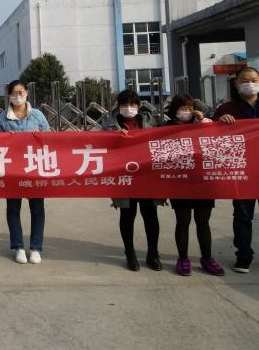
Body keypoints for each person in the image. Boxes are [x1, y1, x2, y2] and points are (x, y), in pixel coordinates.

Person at [101, 89, 163, 272]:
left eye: (132, 104)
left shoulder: (149, 120)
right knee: (127, 215)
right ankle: (130, 253)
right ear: (118, 106)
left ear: (138, 105)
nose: (128, 108)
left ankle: (153, 254)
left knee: (150, 215)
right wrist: (114, 138)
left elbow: (170, 130)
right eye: (124, 104)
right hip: (123, 176)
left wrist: (201, 120)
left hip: (146, 175)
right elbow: (100, 144)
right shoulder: (110, 124)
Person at [163, 94, 222, 276]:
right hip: (179, 183)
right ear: (174, 110)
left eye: (189, 108)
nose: (186, 112)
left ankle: (207, 258)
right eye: (183, 108)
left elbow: (215, 138)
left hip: (202, 181)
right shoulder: (164, 128)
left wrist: (202, 120)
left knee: (203, 222)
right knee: (183, 222)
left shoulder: (201, 124)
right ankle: (183, 259)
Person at [0, 80, 50, 265]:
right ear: (9, 96)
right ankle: (18, 246)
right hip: (12, 171)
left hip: (34, 169)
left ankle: (35, 248)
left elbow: (49, 139)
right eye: (14, 93)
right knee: (13, 209)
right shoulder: (2, 118)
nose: (18, 96)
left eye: (21, 92)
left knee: (37, 209)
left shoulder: (37, 116)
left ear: (26, 93)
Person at [214, 66, 259, 273]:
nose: (250, 84)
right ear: (236, 83)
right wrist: (220, 123)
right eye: (245, 80)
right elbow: (209, 135)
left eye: (254, 80)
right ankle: (243, 255)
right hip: (242, 170)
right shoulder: (226, 109)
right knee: (242, 215)